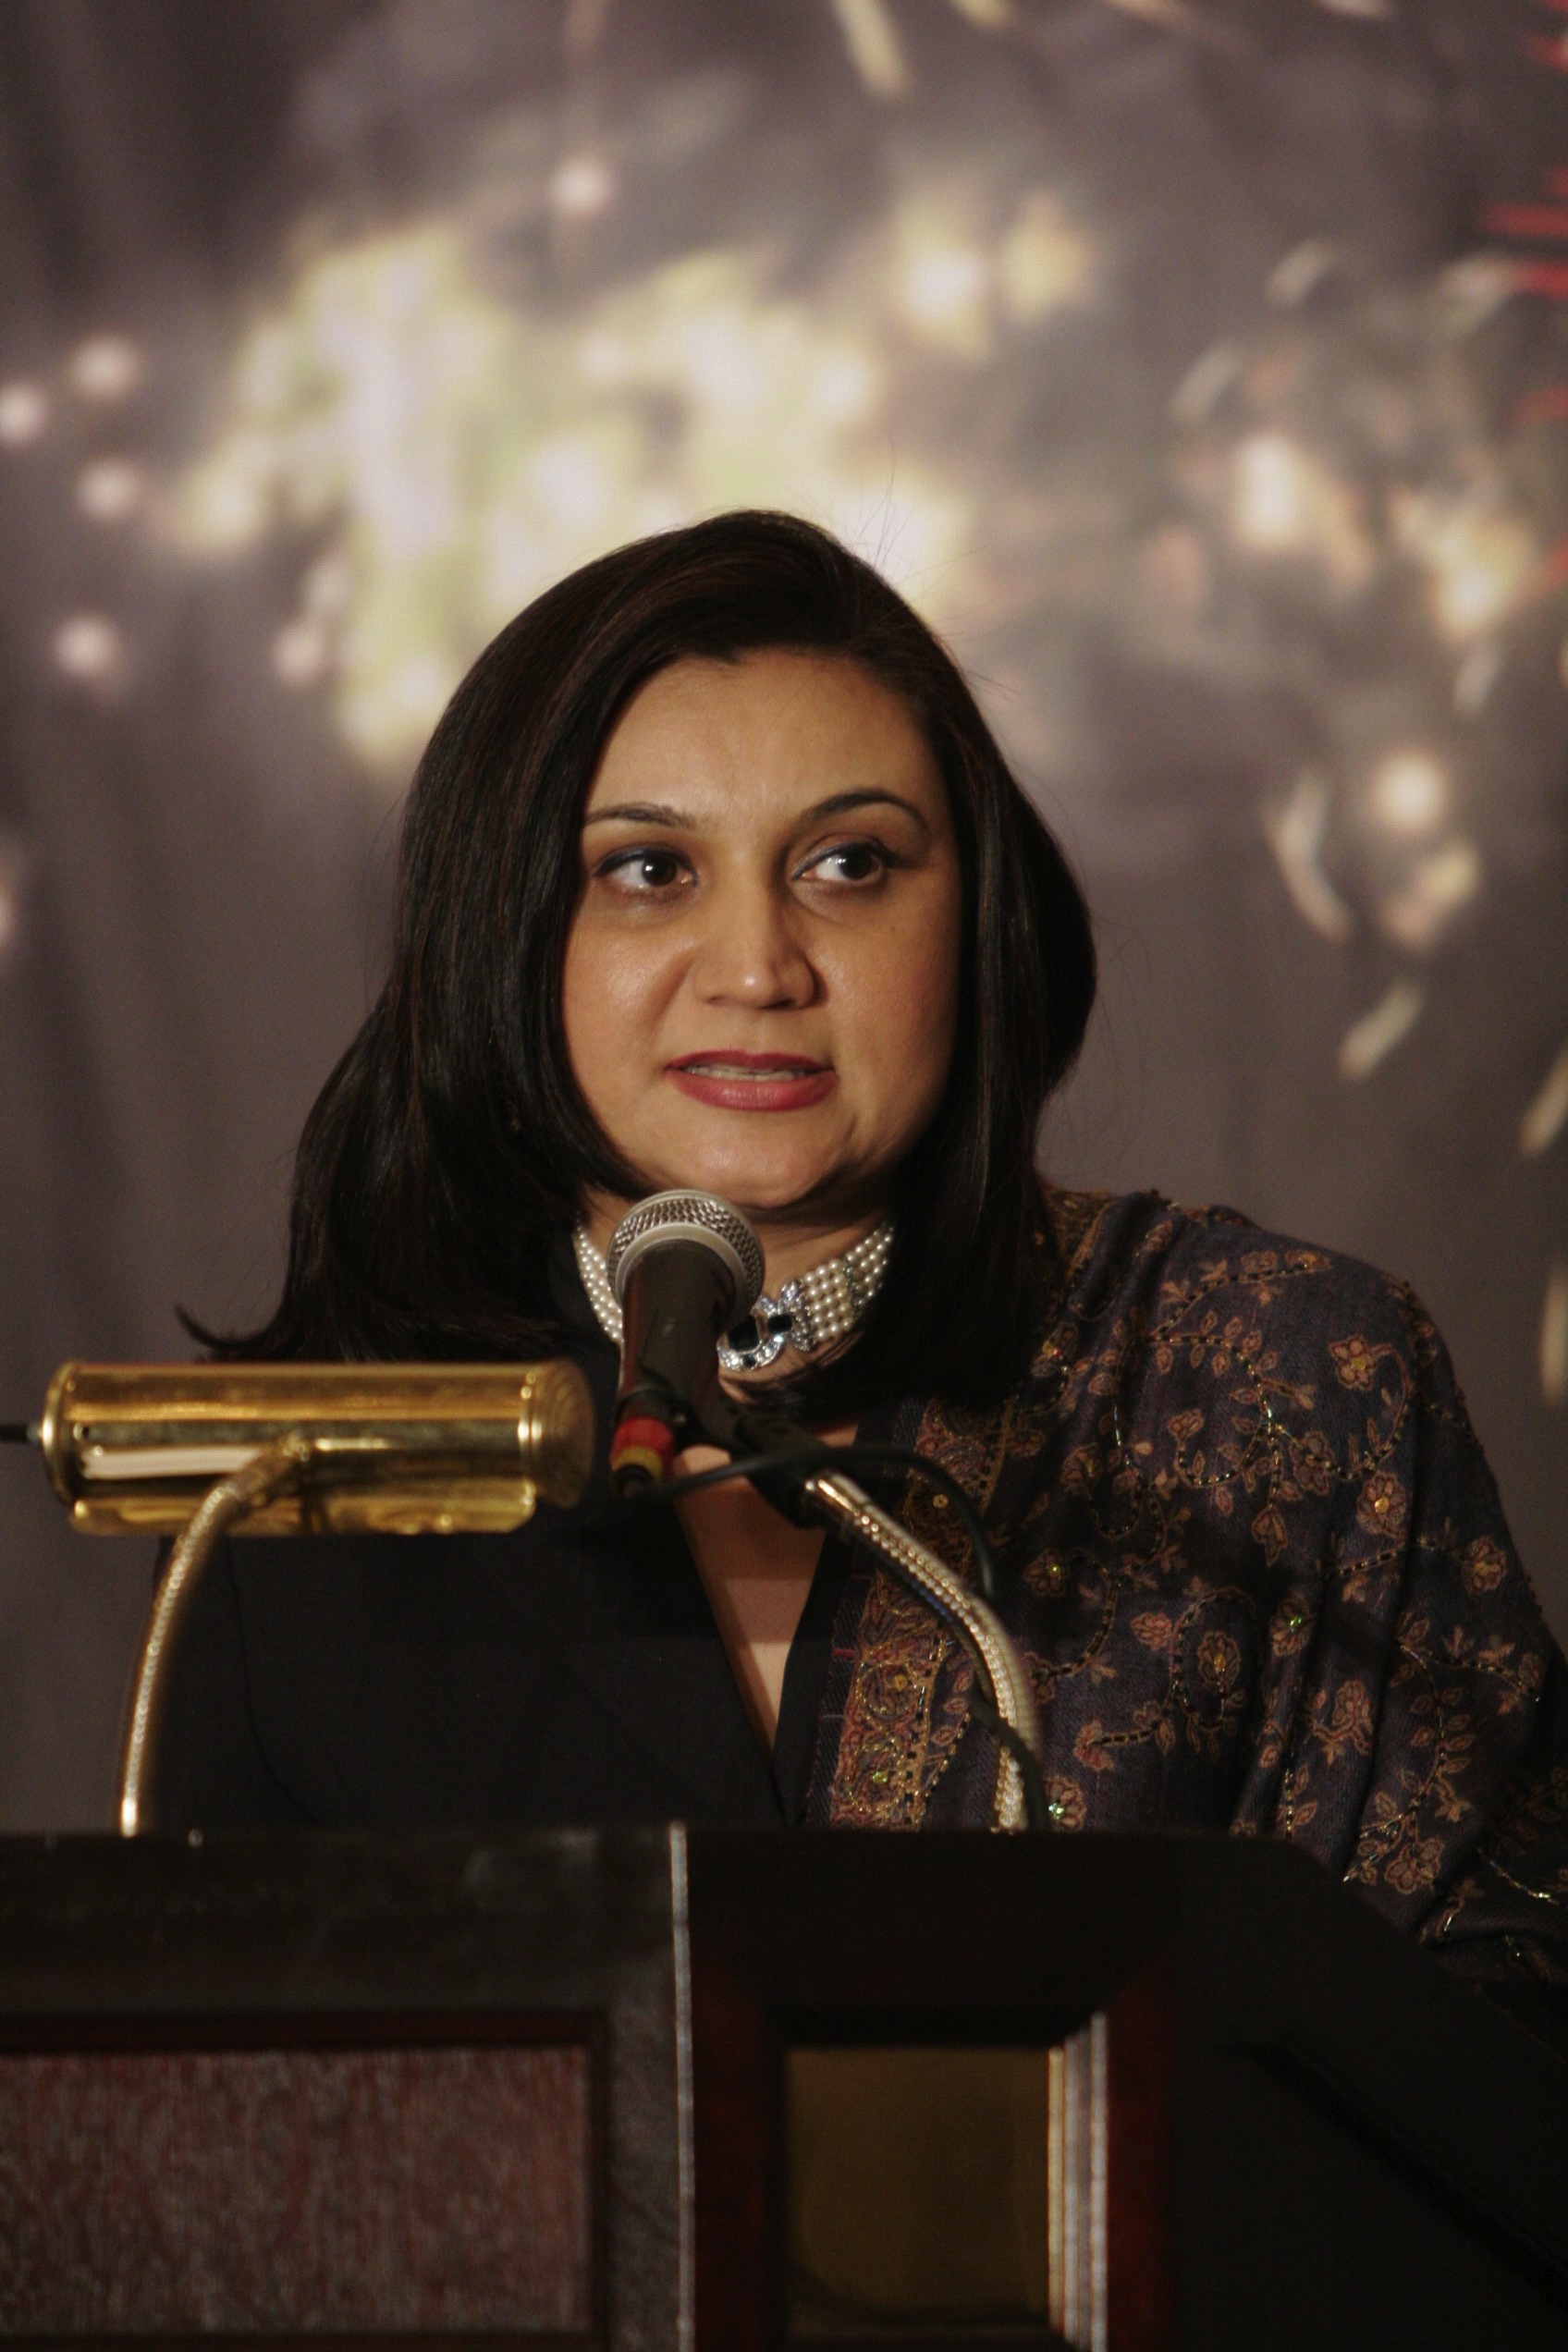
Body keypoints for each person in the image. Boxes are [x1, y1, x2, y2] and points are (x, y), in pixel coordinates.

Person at [157, 509, 1568, 2049]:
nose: (758, 966)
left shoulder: (1282, 1383)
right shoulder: (311, 1501)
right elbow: (211, 2125)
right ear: (500, 932)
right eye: (649, 869)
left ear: (976, 919)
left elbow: (1498, 2075)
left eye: (851, 864)